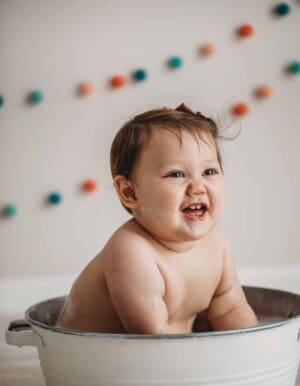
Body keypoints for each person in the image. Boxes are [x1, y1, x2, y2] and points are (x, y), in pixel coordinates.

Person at [56, 103, 258, 334]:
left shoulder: (218, 246)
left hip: (168, 355)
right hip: (97, 361)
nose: (198, 187)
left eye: (209, 172)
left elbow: (230, 309)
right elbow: (151, 334)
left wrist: (254, 347)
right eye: (176, 174)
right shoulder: (131, 250)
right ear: (130, 192)